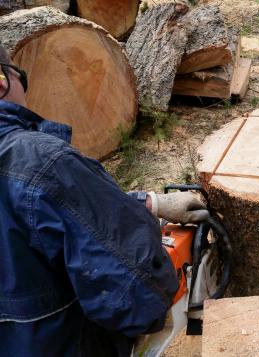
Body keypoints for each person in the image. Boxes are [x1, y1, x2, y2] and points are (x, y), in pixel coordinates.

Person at [0, 45, 209, 356]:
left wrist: (146, 203)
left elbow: (30, 205)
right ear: (3, 81)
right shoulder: (40, 161)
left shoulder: (36, 171)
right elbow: (135, 298)